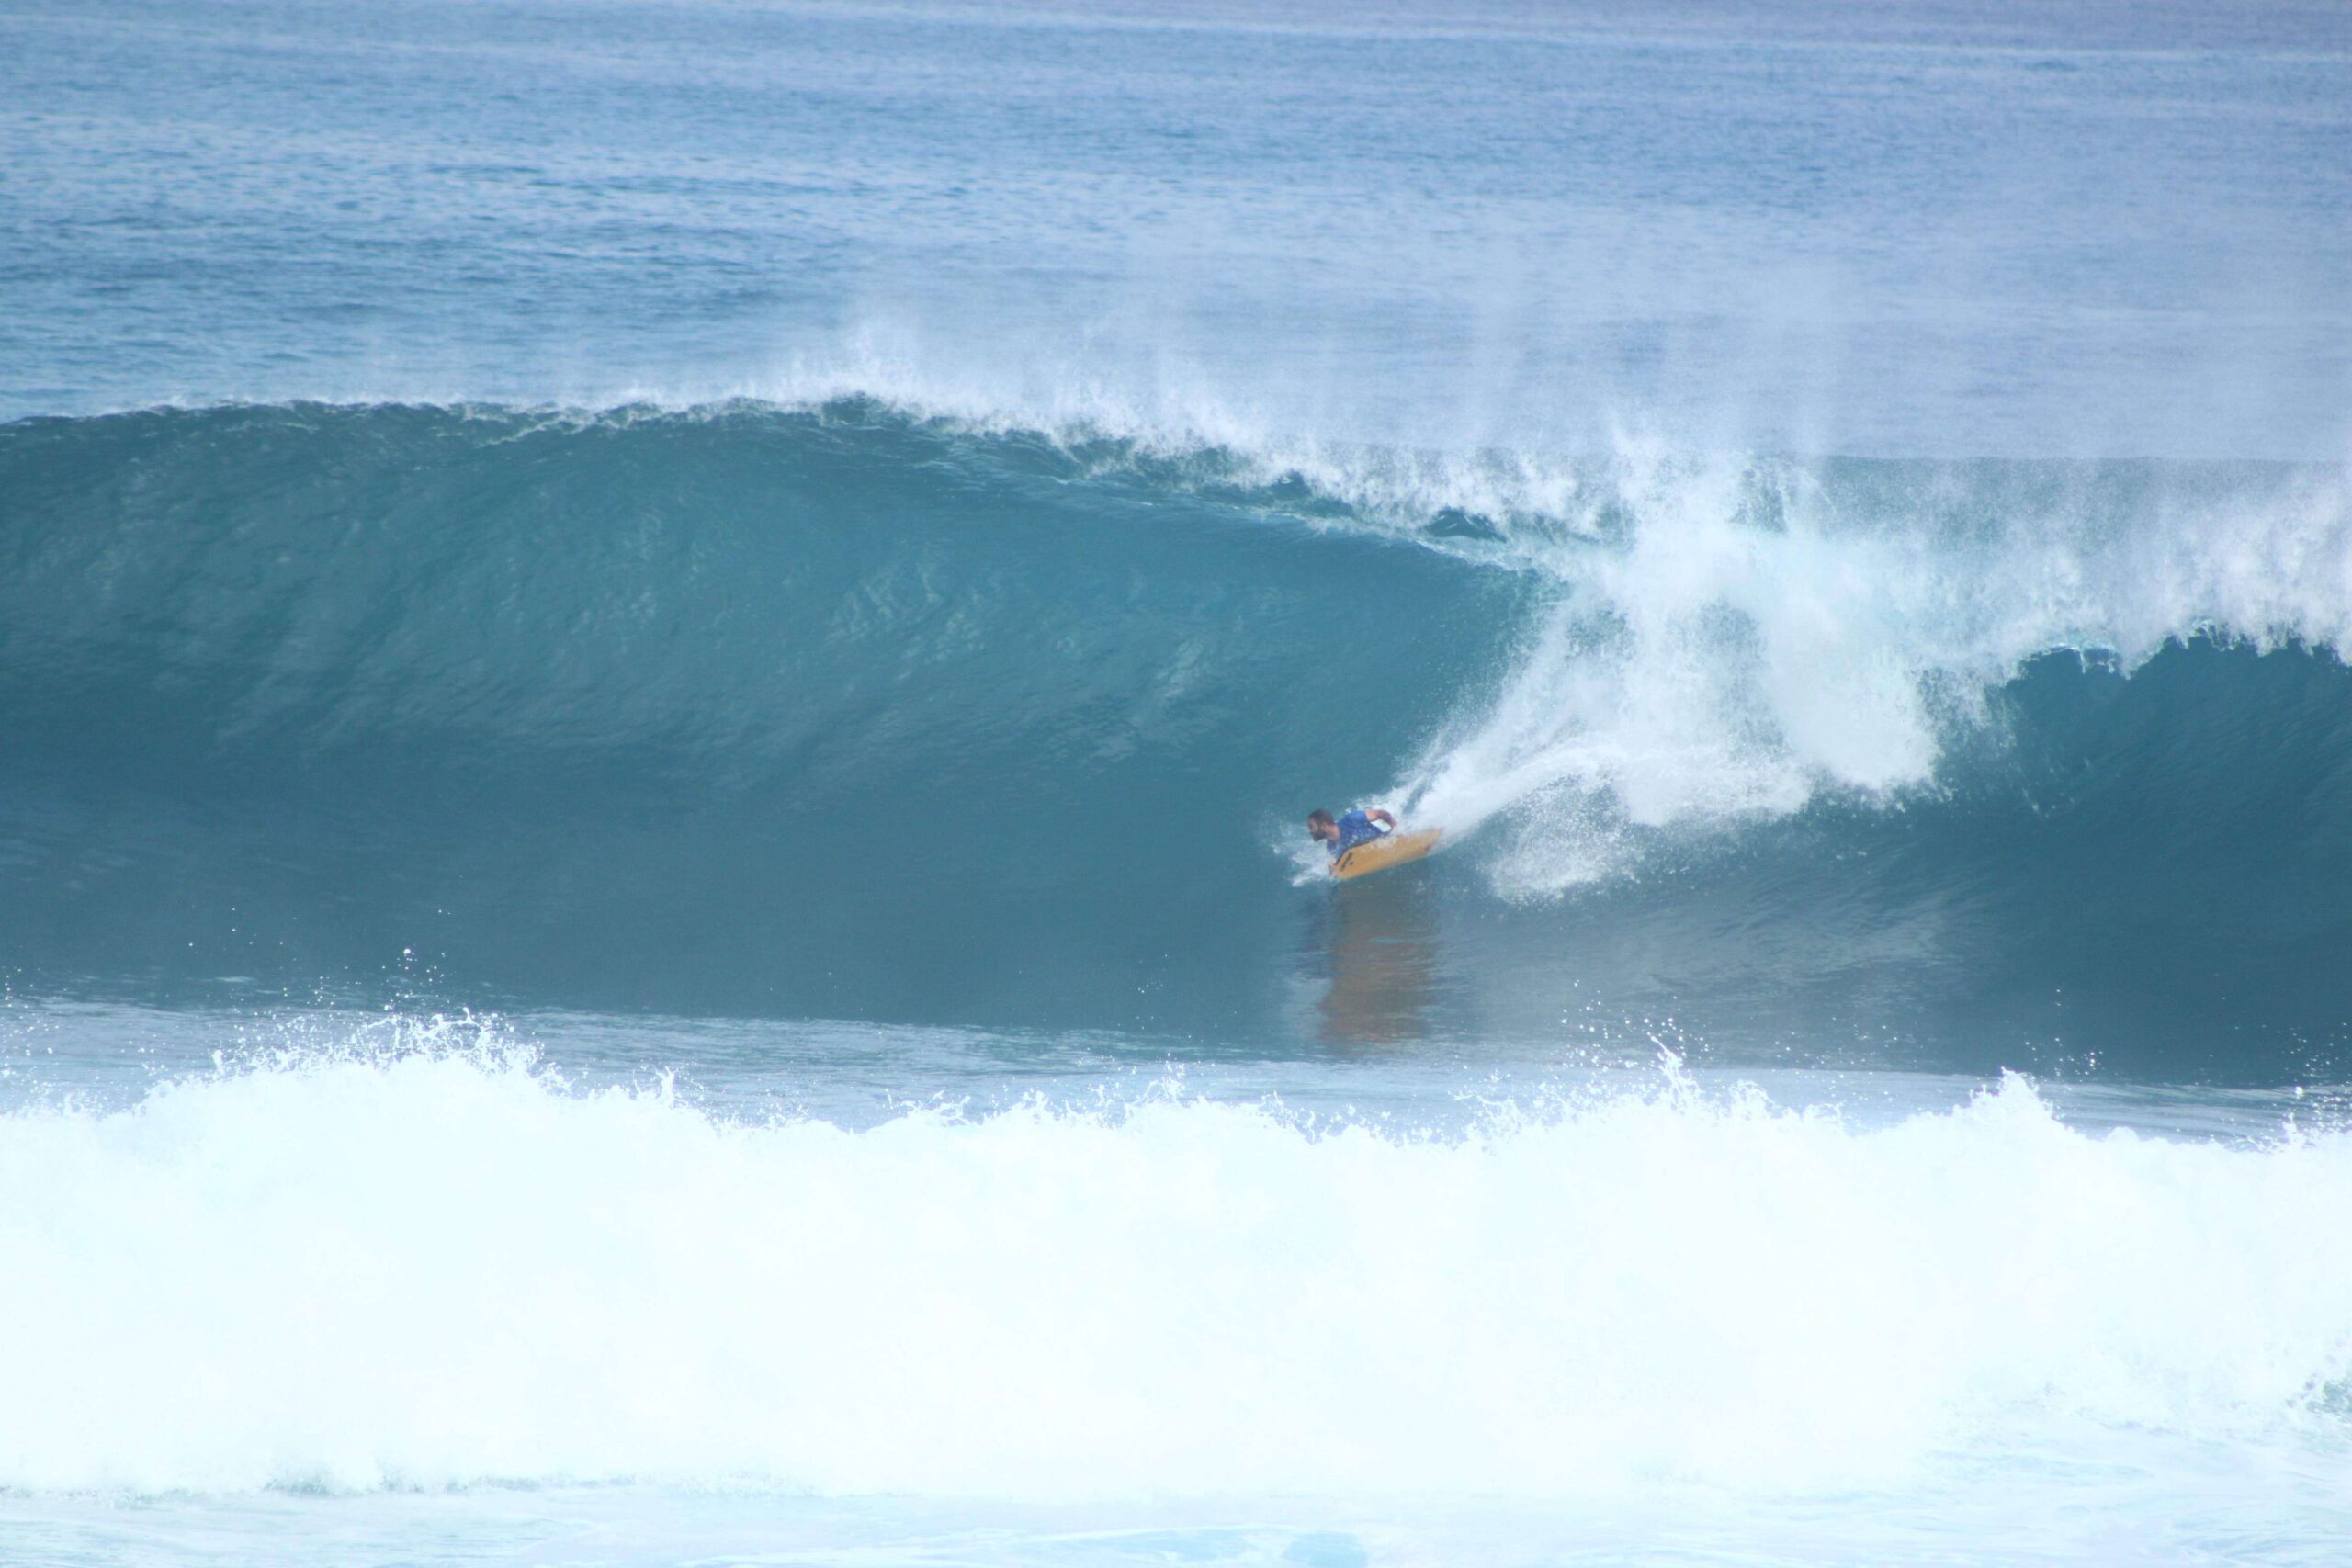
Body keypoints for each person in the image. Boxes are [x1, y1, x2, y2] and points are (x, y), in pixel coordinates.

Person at [1307, 806, 1396, 858]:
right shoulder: (1331, 847)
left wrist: (1395, 828)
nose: (1310, 831)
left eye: (1311, 827)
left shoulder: (1352, 820)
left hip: (1389, 840)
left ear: (1324, 826)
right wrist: (1333, 867)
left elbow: (1380, 813)